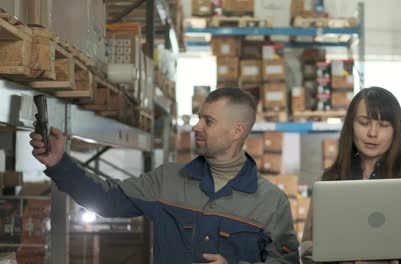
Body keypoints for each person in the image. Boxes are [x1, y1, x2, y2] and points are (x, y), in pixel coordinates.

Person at [30, 88, 300, 264]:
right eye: (198, 118)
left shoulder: (271, 203)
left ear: (237, 131)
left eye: (208, 121)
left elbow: (286, 262)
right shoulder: (167, 180)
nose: (196, 126)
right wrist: (60, 164)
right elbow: (106, 200)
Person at [301, 87, 401, 264]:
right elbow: (306, 246)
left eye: (383, 125)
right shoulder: (329, 180)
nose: (372, 133)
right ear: (351, 125)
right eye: (364, 122)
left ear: (396, 131)